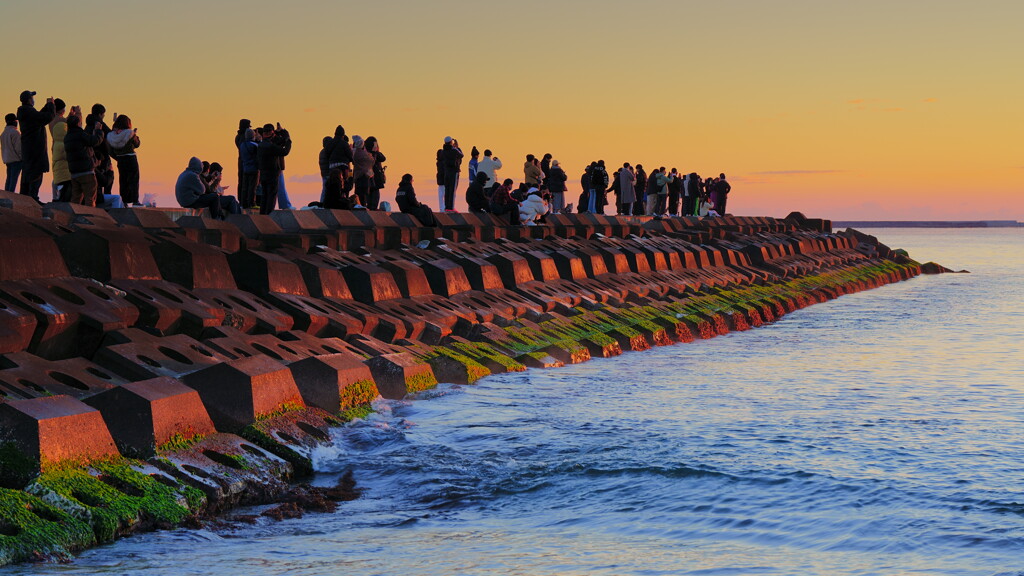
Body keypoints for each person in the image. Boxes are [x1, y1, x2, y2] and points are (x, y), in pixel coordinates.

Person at [16, 90, 55, 200]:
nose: (33, 100)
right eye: (32, 98)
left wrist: (47, 106)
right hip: (35, 150)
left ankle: (26, 198)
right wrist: (51, 105)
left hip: (29, 150)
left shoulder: (26, 112)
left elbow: (39, 116)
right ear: (29, 100)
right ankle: (33, 199)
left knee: (28, 175)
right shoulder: (29, 112)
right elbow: (48, 117)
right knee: (35, 175)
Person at [63, 112, 104, 206]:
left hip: (74, 173)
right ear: (78, 124)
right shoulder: (80, 134)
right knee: (90, 197)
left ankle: (73, 217)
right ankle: (90, 217)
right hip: (86, 171)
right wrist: (98, 131)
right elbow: (95, 141)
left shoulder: (67, 137)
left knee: (76, 199)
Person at [256, 123, 291, 214]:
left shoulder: (261, 145)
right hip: (272, 173)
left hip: (263, 172)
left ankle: (263, 214)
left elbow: (279, 141)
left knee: (265, 195)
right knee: (271, 195)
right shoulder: (271, 146)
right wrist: (289, 141)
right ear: (272, 133)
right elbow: (285, 151)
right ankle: (269, 215)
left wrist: (281, 132)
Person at [107, 114, 141, 205]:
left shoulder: (111, 136)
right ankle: (135, 201)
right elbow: (137, 144)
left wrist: (118, 157)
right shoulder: (129, 133)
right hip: (131, 158)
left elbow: (110, 151)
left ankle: (124, 201)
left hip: (121, 160)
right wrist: (135, 135)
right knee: (134, 179)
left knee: (123, 181)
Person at [85, 104, 113, 200]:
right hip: (102, 156)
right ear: (101, 114)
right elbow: (111, 134)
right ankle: (107, 200)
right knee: (108, 177)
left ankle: (99, 199)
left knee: (96, 181)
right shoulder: (100, 124)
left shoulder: (87, 125)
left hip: (92, 156)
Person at [49, 99, 70, 201]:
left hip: (55, 147)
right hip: (63, 148)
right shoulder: (61, 120)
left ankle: (55, 196)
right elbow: (73, 124)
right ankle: (59, 196)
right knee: (64, 174)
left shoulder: (51, 119)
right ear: (61, 109)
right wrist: (77, 113)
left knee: (57, 173)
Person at [238, 128, 259, 209]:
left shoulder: (242, 145)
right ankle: (252, 203)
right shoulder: (255, 145)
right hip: (254, 168)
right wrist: (259, 140)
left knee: (245, 187)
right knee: (252, 187)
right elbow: (259, 153)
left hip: (245, 168)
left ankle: (244, 203)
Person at [441, 136, 463, 211]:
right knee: (453, 190)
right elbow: (461, 155)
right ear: (451, 142)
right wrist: (457, 147)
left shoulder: (443, 151)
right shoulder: (454, 150)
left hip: (447, 172)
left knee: (447, 189)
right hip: (454, 171)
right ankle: (451, 207)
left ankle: (447, 207)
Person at [351, 135, 373, 208]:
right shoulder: (364, 154)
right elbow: (372, 160)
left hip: (358, 175)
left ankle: (359, 205)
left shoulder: (354, 152)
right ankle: (363, 206)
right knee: (364, 194)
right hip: (365, 176)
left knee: (358, 193)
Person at [365, 136, 387, 210]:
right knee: (375, 195)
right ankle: (373, 208)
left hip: (367, 177)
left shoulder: (365, 153)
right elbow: (383, 158)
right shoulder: (374, 154)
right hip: (375, 177)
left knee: (369, 194)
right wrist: (376, 151)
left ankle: (370, 207)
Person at [1, 114, 21, 192]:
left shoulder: (3, 133)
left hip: (7, 159)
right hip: (16, 160)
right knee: (13, 180)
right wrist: (22, 158)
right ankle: (11, 196)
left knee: (9, 179)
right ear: (14, 121)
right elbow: (19, 148)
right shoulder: (15, 132)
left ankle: (6, 196)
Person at [235, 119, 250, 194]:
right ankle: (244, 201)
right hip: (246, 161)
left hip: (241, 160)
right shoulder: (244, 137)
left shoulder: (238, 136)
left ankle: (241, 201)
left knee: (241, 181)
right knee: (245, 182)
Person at [317, 135, 333, 203]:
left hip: (324, 173)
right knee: (326, 190)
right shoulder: (328, 152)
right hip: (328, 173)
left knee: (324, 189)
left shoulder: (322, 152)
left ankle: (322, 202)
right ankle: (323, 202)